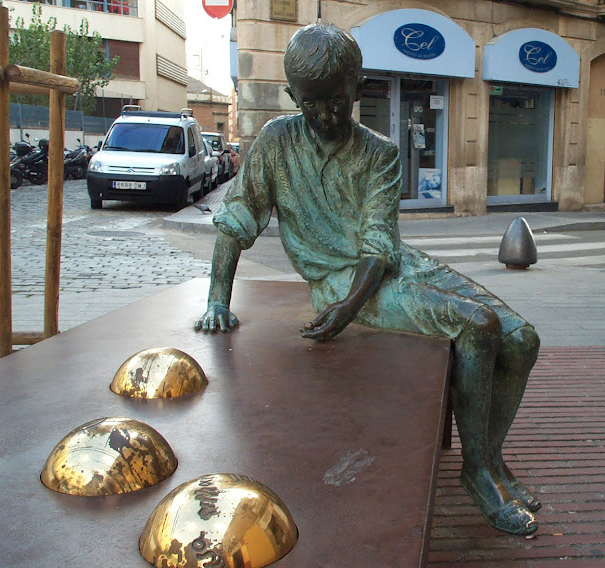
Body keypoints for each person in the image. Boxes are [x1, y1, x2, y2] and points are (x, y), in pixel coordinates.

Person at [195, 23, 540, 536]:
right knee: (479, 325)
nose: (328, 116)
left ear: (359, 87)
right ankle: (477, 473)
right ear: (295, 97)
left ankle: (489, 457)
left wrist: (353, 304)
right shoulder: (275, 142)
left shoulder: (379, 151)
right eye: (312, 105)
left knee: (523, 340)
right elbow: (237, 218)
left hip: (381, 269)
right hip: (336, 281)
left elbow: (379, 245)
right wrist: (217, 300)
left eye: (338, 100)